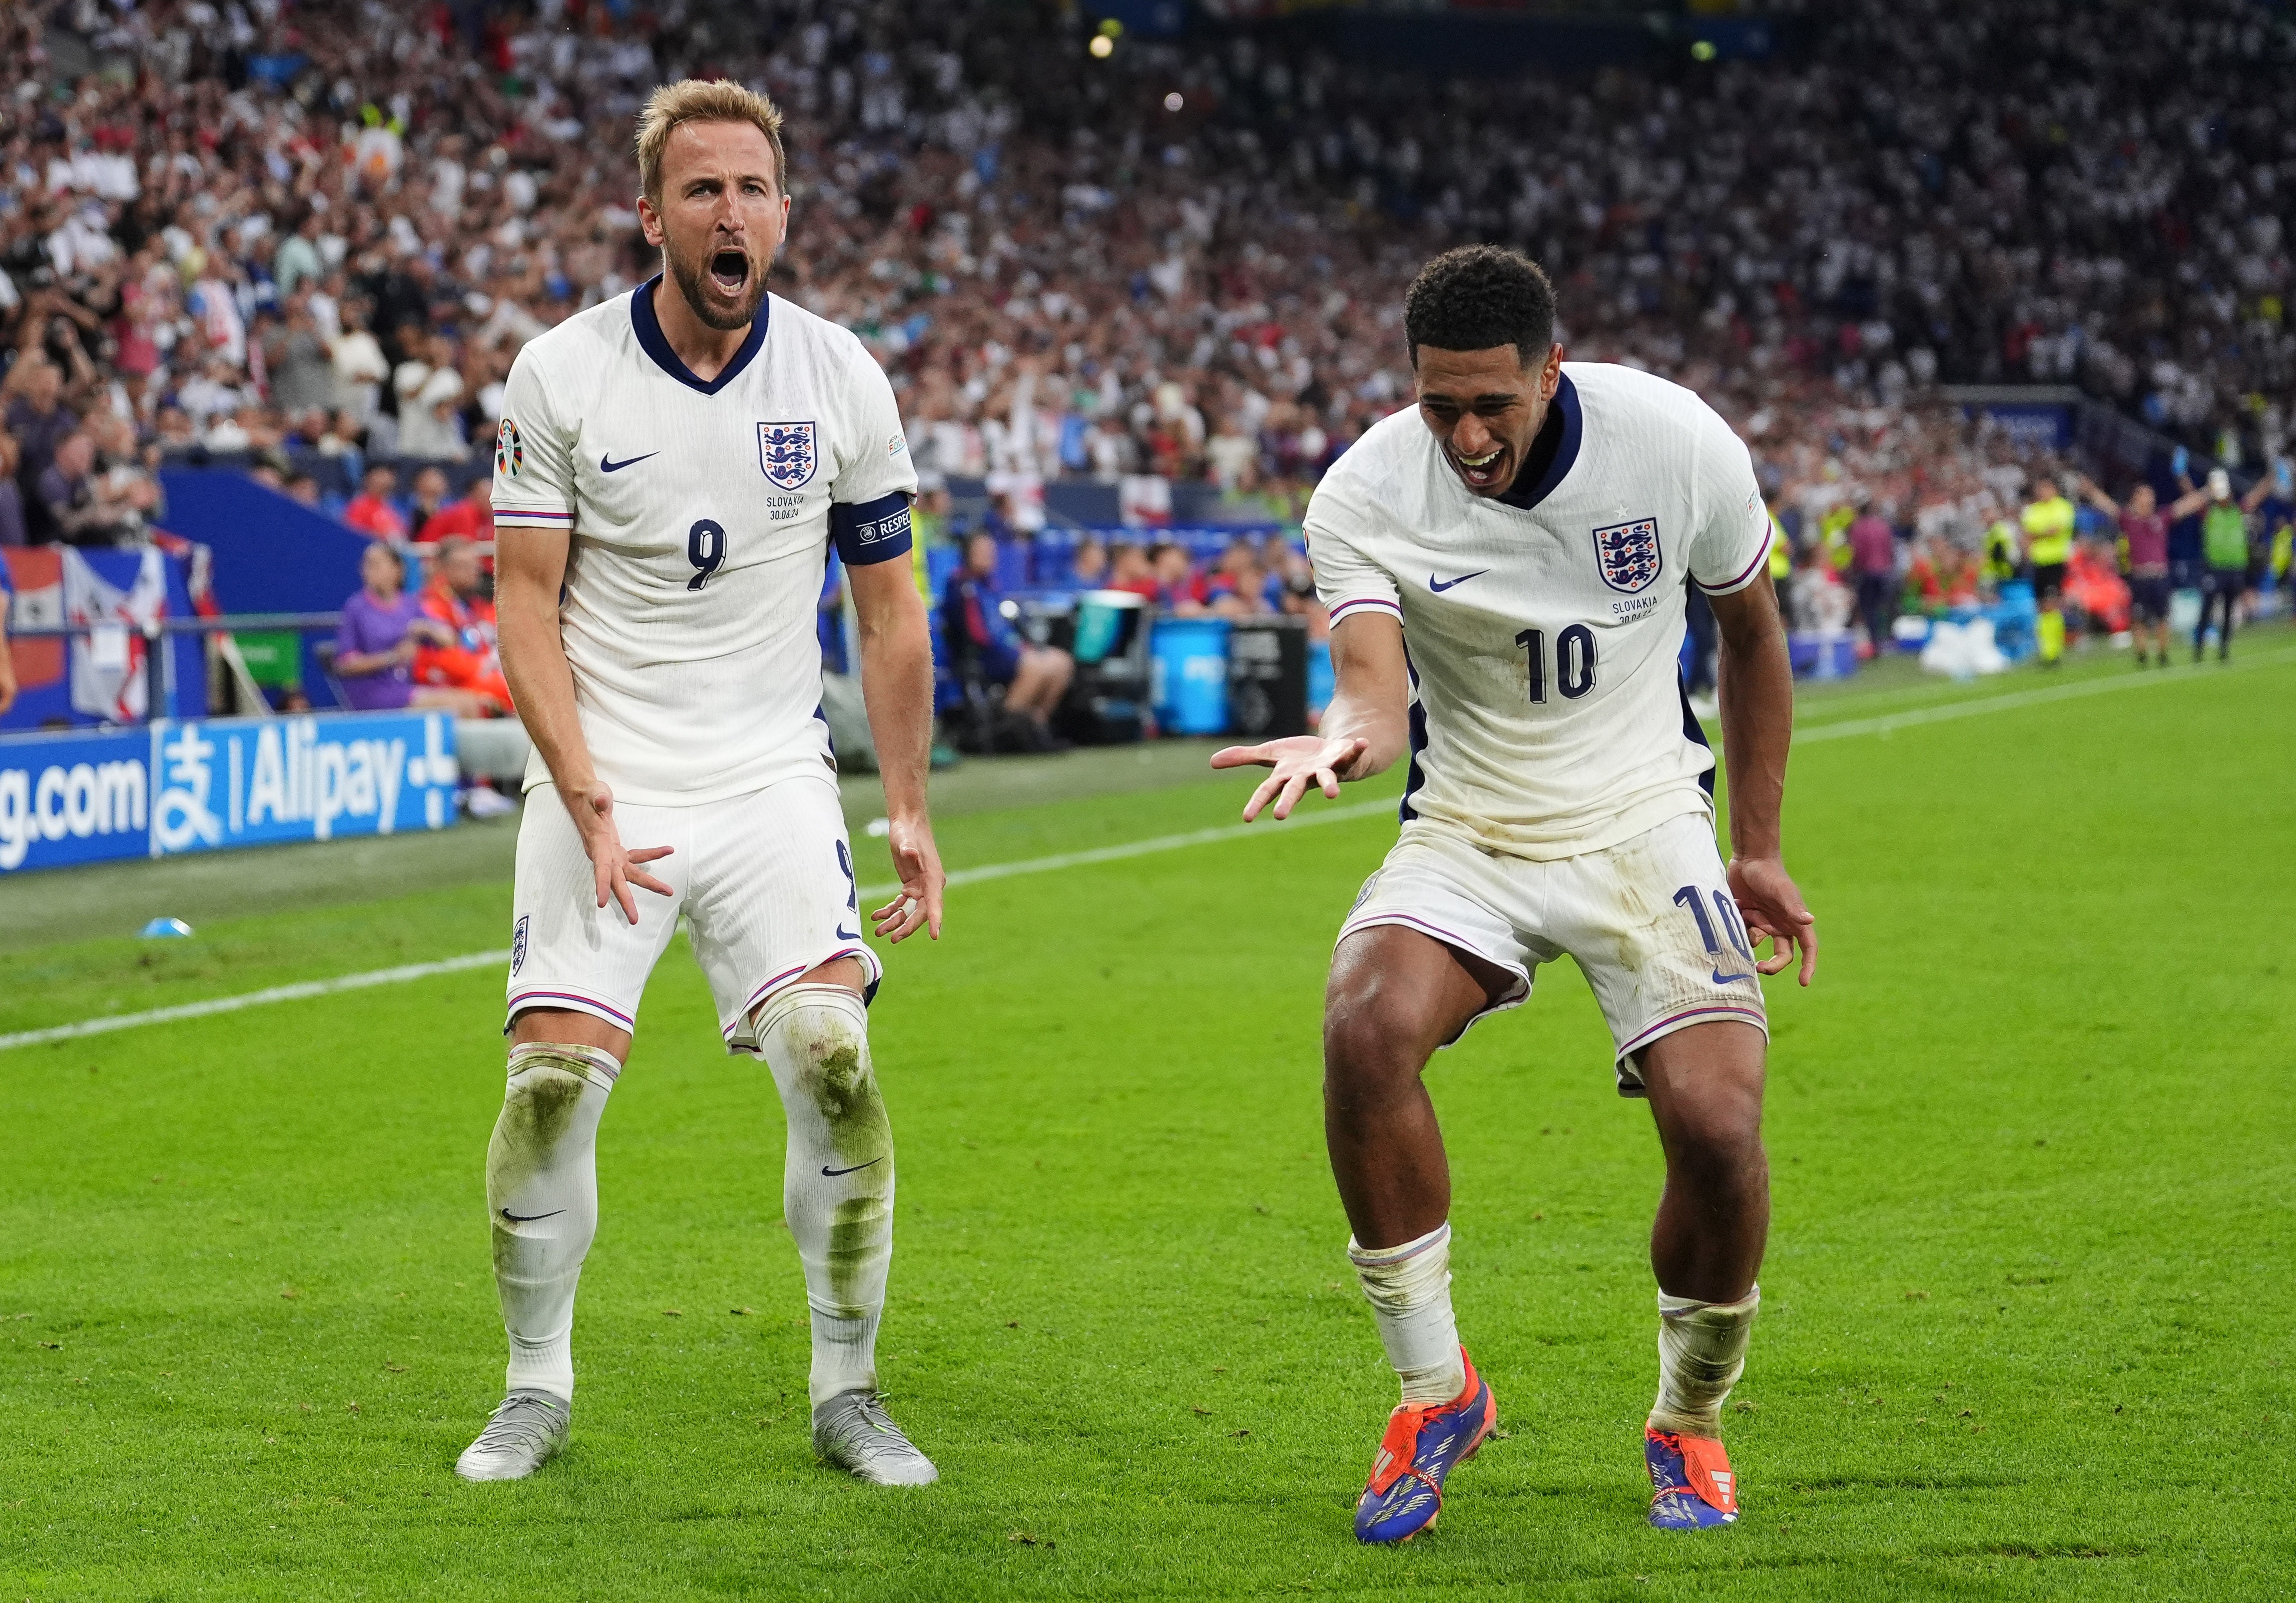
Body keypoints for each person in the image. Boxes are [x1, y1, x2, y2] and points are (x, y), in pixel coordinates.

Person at [1210, 246, 1815, 1544]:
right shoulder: (1367, 490)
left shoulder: (1671, 441)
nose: (1468, 435)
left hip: (1645, 820)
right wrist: (1339, 735)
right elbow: (1372, 689)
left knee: (1716, 1128)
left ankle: (1688, 1418)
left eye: (1494, 403)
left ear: (1552, 368)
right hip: (1471, 827)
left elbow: (1750, 629)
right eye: (1441, 407)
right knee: (1362, 1027)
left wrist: (1751, 847)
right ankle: (1435, 1394)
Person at [462, 80, 945, 1490]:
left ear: (783, 212)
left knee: (835, 1064)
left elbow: (890, 611)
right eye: (701, 191)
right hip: (605, 776)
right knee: (550, 1084)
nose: (729, 213)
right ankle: (532, 1387)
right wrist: (581, 788)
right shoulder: (559, 373)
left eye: (752, 190)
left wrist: (905, 805)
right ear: (651, 215)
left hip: (766, 779)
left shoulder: (842, 375)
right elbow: (522, 605)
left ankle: (848, 1391)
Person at [945, 530, 1073, 749]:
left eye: (991, 551)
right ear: (969, 554)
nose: (990, 556)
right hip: (984, 656)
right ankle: (1005, 729)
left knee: (1062, 662)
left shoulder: (991, 586)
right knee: (1033, 665)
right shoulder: (962, 587)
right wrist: (1016, 650)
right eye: (983, 551)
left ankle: (1036, 726)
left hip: (1010, 649)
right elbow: (978, 635)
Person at [332, 540, 489, 715]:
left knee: (473, 702)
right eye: (366, 564)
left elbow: (448, 639)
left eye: (377, 564)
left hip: (407, 686)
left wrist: (426, 629)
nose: (369, 570)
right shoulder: (356, 607)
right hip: (372, 691)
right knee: (461, 706)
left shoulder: (410, 605)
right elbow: (346, 663)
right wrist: (392, 657)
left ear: (397, 570)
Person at [2073, 475, 2172, 668]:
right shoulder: (2129, 520)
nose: (2148, 498)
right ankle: (2142, 654)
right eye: (2144, 495)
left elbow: (2184, 507)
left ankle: (2163, 653)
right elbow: (2109, 506)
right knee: (2139, 616)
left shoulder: (2161, 518)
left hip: (2159, 574)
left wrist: (2205, 493)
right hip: (2140, 576)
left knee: (2162, 616)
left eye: (2149, 494)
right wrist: (2091, 491)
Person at [415, 537, 512, 712]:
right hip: (447, 681)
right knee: (508, 691)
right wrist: (480, 666)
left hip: (472, 675)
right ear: (442, 569)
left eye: (474, 565)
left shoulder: (473, 604)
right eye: (463, 566)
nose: (473, 571)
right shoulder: (430, 604)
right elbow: (440, 657)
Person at [2179, 467, 2249, 662]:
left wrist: (2271, 478)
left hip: (2235, 568)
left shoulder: (2238, 511)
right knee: (2207, 609)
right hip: (2215, 568)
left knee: (2228, 611)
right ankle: (2199, 649)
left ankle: (2224, 649)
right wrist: (2183, 475)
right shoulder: (2210, 513)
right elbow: (2193, 497)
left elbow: (2257, 496)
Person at [2020, 475, 2076, 666]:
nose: (2044, 492)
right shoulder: (2032, 511)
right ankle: (2046, 650)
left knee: (2052, 604)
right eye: (2041, 489)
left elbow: (2055, 531)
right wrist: (2040, 535)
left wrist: (2037, 534)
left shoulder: (2063, 507)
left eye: (2047, 488)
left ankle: (2054, 651)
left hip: (2056, 561)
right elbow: (2027, 535)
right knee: (2041, 607)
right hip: (2038, 563)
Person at [1845, 498, 1895, 657]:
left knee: (1869, 610)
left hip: (1866, 573)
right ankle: (1884, 640)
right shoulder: (1882, 526)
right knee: (1883, 608)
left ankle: (1875, 644)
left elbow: (1856, 552)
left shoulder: (1858, 528)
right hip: (1884, 572)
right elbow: (1890, 548)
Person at [343, 465, 408, 540]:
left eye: (389, 474)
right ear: (369, 478)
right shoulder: (359, 506)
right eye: (382, 474)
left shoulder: (395, 506)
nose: (387, 478)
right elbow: (353, 535)